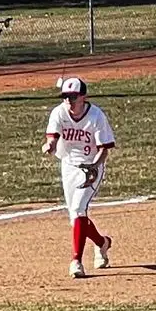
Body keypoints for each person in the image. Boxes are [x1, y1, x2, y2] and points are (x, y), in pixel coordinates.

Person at [41, 76, 114, 278]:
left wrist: (94, 166)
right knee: (76, 219)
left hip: (92, 166)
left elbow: (104, 149)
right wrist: (50, 146)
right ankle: (102, 243)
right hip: (69, 167)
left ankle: (76, 261)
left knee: (78, 209)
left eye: (73, 96)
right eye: (65, 96)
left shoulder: (96, 116)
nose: (68, 101)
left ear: (83, 96)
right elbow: (53, 136)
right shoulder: (59, 112)